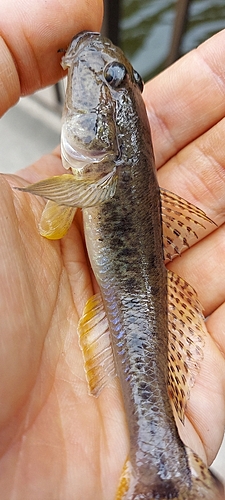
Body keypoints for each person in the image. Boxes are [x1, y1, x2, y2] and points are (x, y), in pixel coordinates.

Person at [0, 1, 224, 498]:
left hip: (136, 295)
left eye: (120, 79)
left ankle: (160, 465)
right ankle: (165, 465)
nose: (103, 77)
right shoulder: (101, 170)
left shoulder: (98, 173)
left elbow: (55, 218)